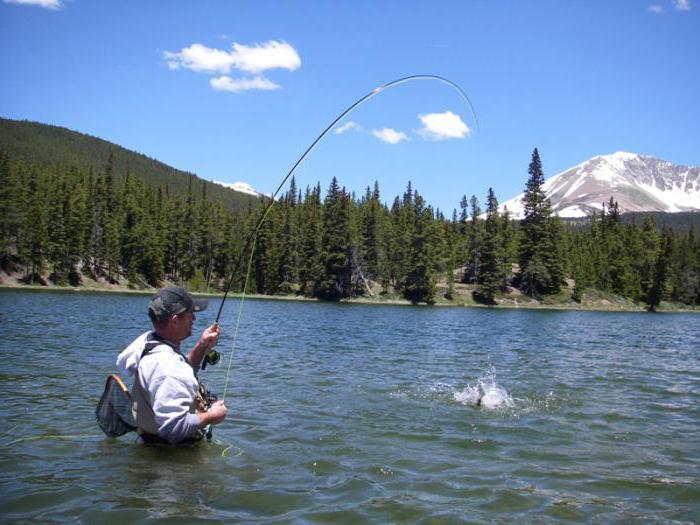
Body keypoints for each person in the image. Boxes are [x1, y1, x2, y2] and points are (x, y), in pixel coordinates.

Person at [116, 286, 227, 444]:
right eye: (190, 314)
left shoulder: (149, 342)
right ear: (175, 321)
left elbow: (180, 371)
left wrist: (202, 345)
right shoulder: (168, 366)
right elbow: (173, 428)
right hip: (170, 452)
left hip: (151, 440)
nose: (194, 319)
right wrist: (212, 416)